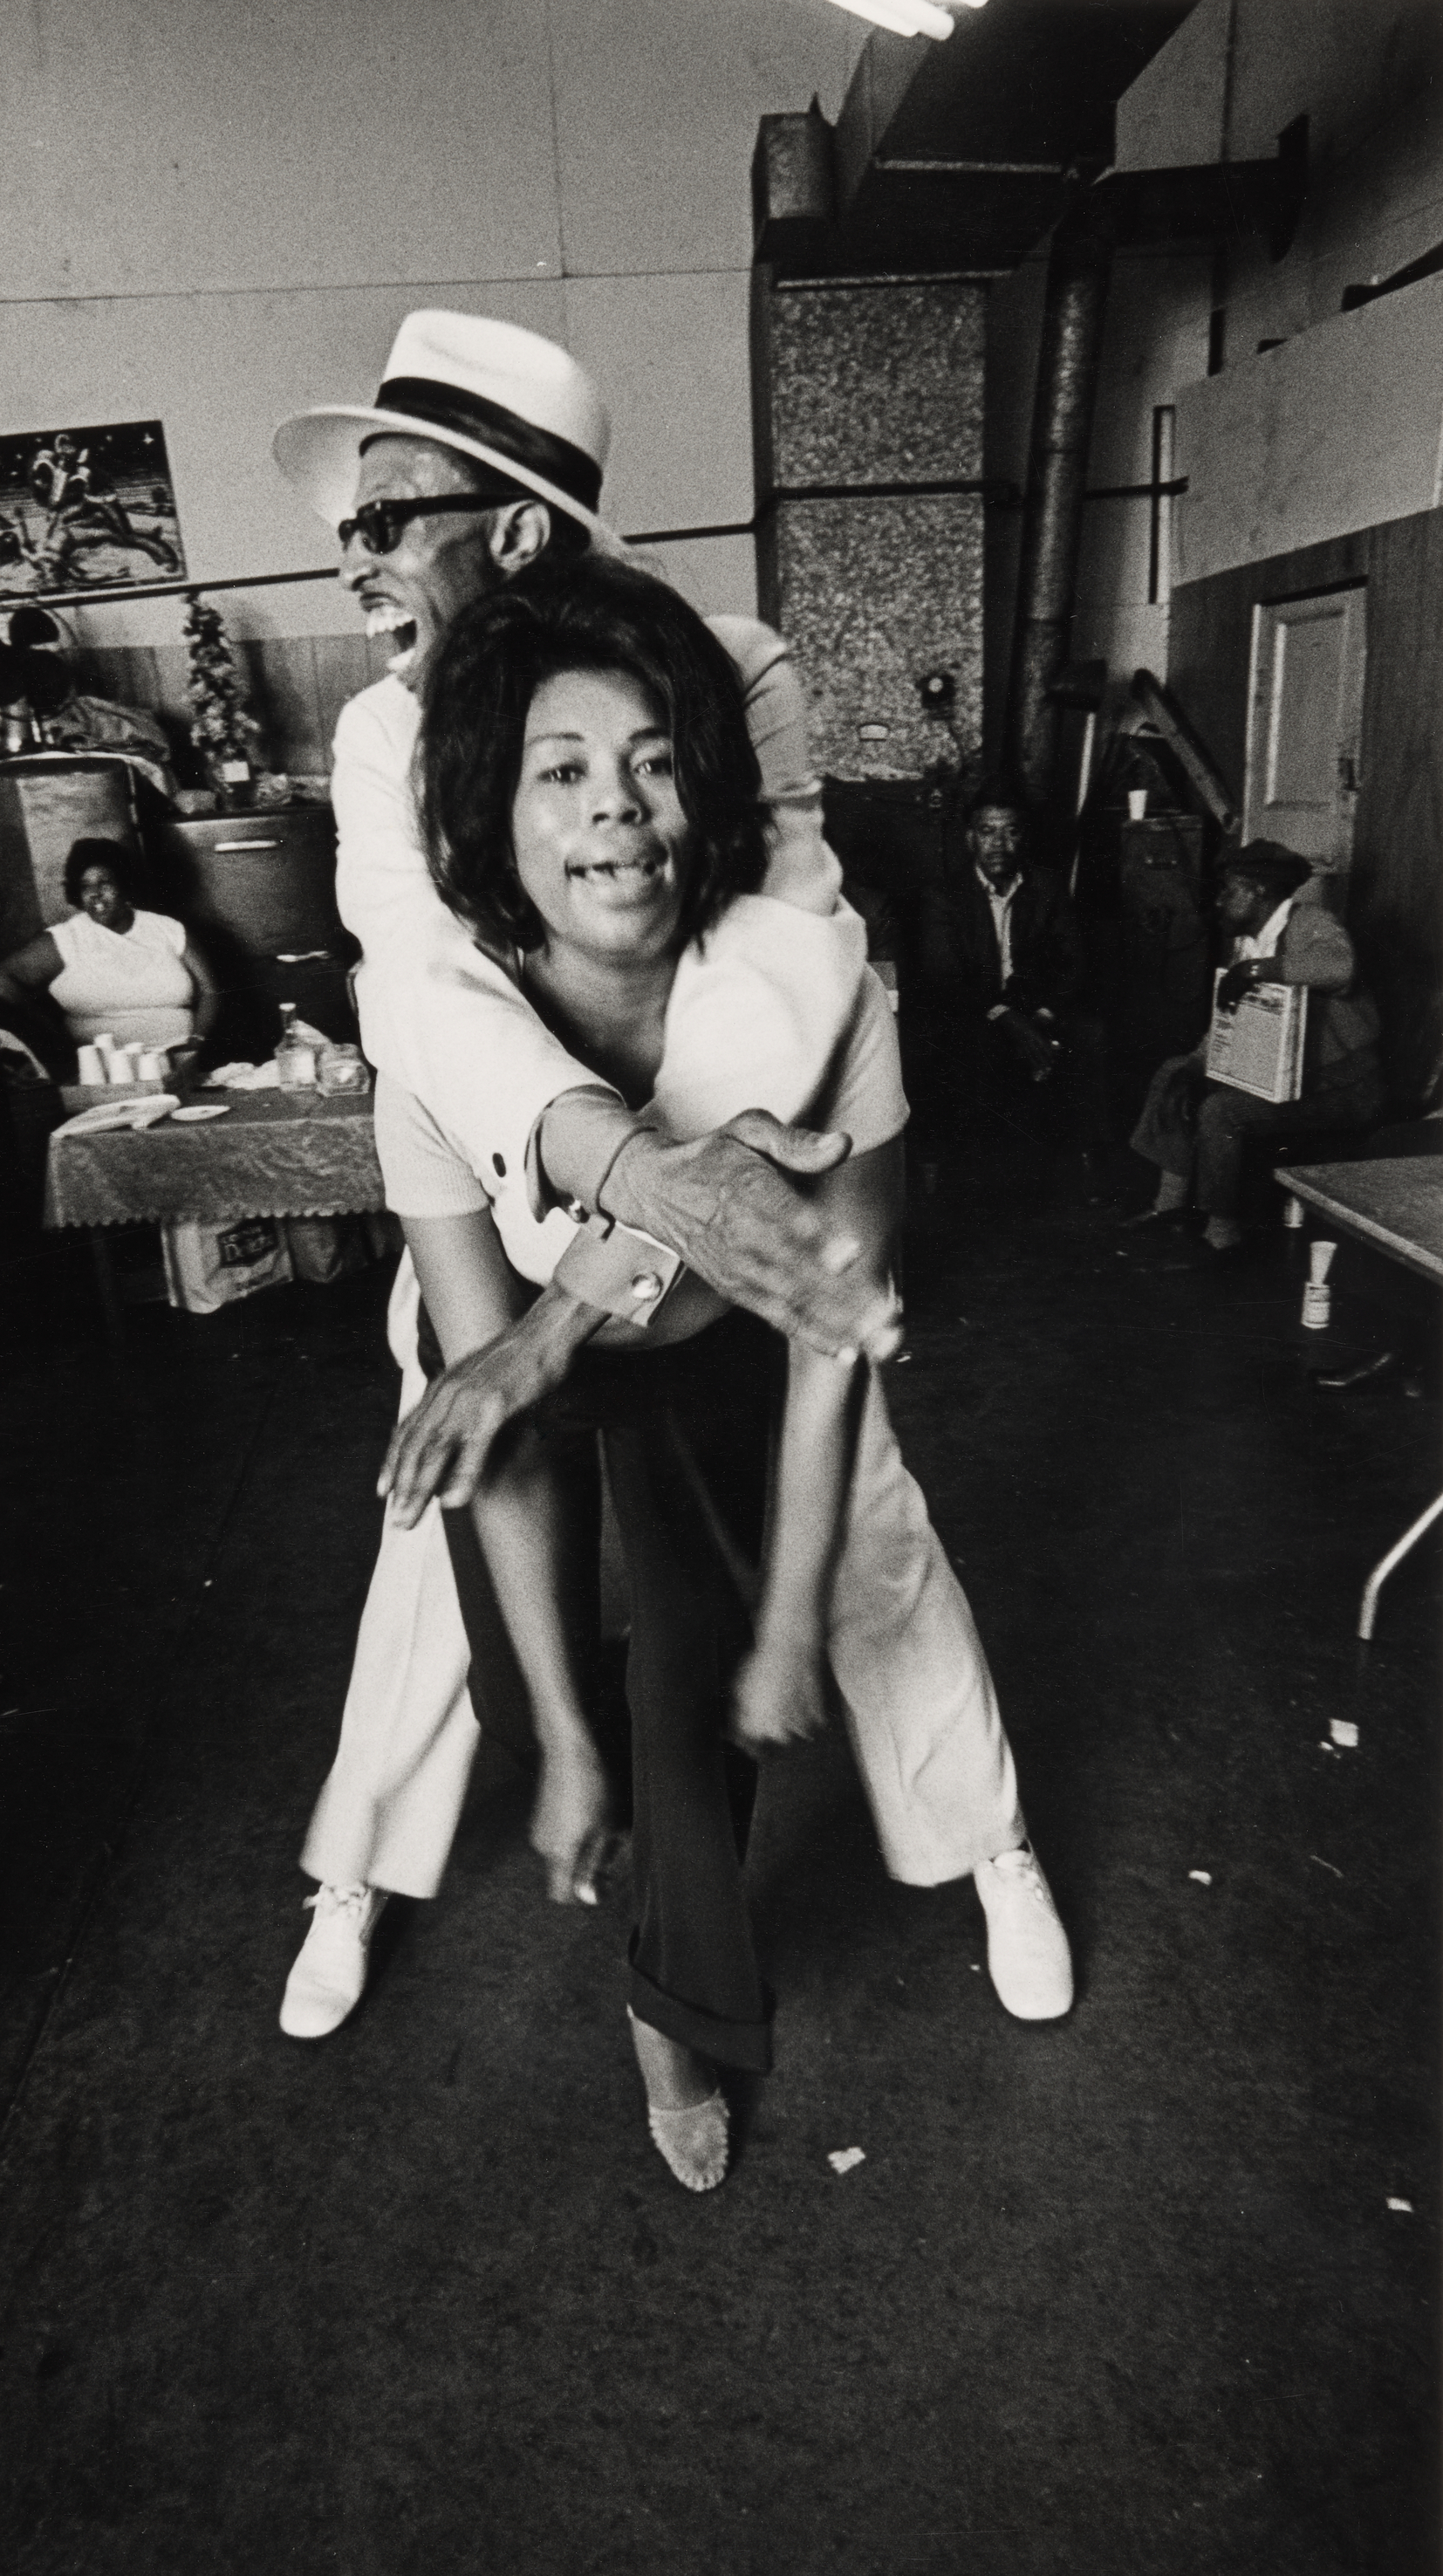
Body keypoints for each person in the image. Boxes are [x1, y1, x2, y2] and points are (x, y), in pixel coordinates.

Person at [370, 560, 1071, 2190]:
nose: (617, 813)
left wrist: (778, 1626)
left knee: (705, 1690)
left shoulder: (823, 989)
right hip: (542, 1385)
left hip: (728, 1361)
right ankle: (585, 1765)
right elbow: (510, 1421)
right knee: (540, 1704)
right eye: (562, 771)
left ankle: (673, 2016)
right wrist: (554, 1731)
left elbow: (833, 1324)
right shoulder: (438, 1042)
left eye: (656, 761)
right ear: (495, 816)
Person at [270, 312, 905, 2037]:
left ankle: (917, 1867)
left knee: (851, 1587)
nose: (354, 552)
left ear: (521, 531)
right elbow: (417, 998)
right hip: (499, 1201)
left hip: (731, 1255)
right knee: (458, 1579)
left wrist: (599, 1288)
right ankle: (360, 1871)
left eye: (389, 514)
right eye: (554, 777)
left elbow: (783, 974)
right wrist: (562, 1273)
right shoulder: (383, 740)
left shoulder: (728, 671)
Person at [1126, 840, 1383, 1255]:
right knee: (1175, 1075)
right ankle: (1168, 1207)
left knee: (1223, 1111)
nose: (1219, 900)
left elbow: (1340, 967)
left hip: (1342, 1089)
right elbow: (1229, 1026)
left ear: (1258, 891)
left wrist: (1259, 970)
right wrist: (1196, 1065)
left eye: (1228, 890)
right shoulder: (1246, 942)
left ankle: (1221, 1235)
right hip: (1282, 1079)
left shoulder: (1309, 923)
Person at [911, 784, 1108, 1172]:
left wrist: (1043, 1016)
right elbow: (945, 977)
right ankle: (982, 1174)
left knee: (1093, 1036)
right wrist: (1007, 1018)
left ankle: (1087, 1161)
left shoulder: (1047, 888)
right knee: (979, 1048)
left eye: (1011, 831)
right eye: (987, 832)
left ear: (1024, 836)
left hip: (1034, 1010)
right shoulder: (944, 896)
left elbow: (1073, 963)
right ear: (971, 839)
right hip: (973, 1013)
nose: (999, 843)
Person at [0, 838, 220, 1079]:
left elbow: (211, 990)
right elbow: (0, 982)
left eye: (104, 883)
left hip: (181, 1064)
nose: (95, 894)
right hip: (103, 1073)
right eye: (86, 886)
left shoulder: (167, 929)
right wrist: (48, 1031)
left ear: (124, 884)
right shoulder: (65, 940)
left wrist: (194, 1045)